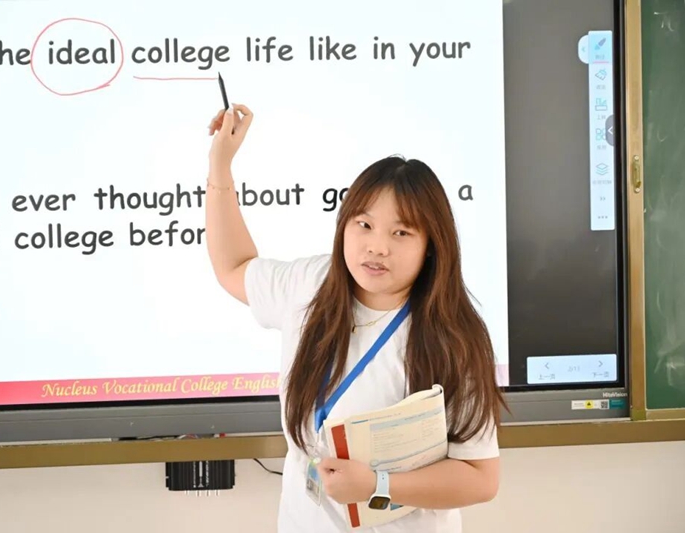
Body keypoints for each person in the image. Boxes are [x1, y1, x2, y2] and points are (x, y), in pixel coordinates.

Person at [204, 104, 506, 533]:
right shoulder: (311, 284)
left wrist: (378, 485)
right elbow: (233, 267)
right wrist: (220, 165)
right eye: (364, 225)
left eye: (401, 232)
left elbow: (480, 478)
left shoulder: (453, 336)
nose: (377, 246)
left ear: (431, 246)